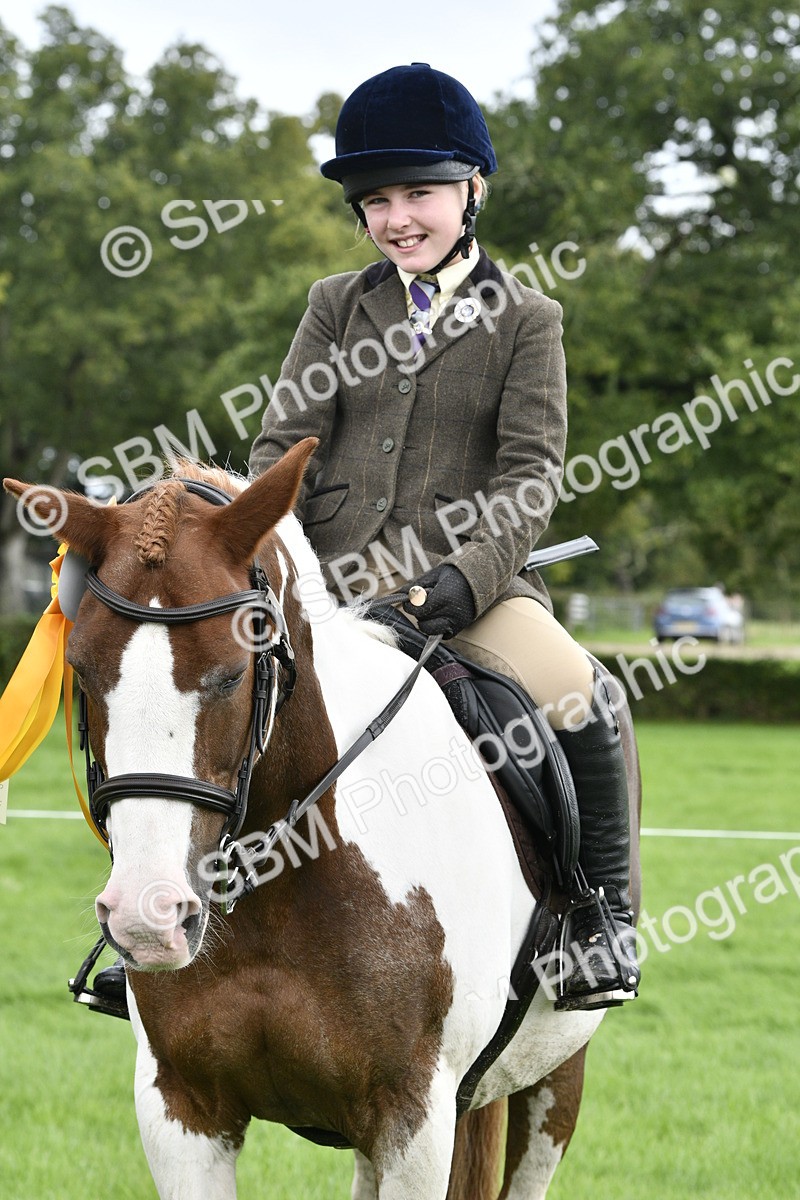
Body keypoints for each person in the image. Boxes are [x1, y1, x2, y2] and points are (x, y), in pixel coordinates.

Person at [246, 63, 639, 1010]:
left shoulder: (526, 321)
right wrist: (284, 571)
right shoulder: (337, 305)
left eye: (418, 192)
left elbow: (530, 474)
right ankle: (160, 932)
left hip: (471, 594)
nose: (396, 218)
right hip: (330, 589)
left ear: (473, 189)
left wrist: (463, 580)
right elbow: (280, 448)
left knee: (586, 695)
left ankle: (600, 919)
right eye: (376, 202)